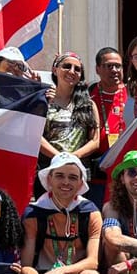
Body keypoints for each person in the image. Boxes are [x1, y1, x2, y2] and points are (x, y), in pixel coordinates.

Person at [21, 152, 104, 274]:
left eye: (72, 177)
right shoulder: (33, 214)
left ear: (81, 183)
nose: (66, 182)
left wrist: (60, 272)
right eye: (59, 176)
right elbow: (25, 265)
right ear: (49, 179)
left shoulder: (90, 213)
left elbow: (93, 262)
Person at [38, 52, 102, 203]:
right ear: (55, 70)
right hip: (50, 170)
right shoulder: (43, 101)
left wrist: (73, 158)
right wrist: (59, 158)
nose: (72, 71)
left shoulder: (89, 104)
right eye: (67, 66)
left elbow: (95, 141)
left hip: (78, 173)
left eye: (77, 69)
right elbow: (36, 136)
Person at [89, 47, 128, 205]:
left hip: (126, 172)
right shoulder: (87, 95)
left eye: (118, 66)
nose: (115, 70)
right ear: (97, 69)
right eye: (109, 66)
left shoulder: (134, 93)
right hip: (98, 174)